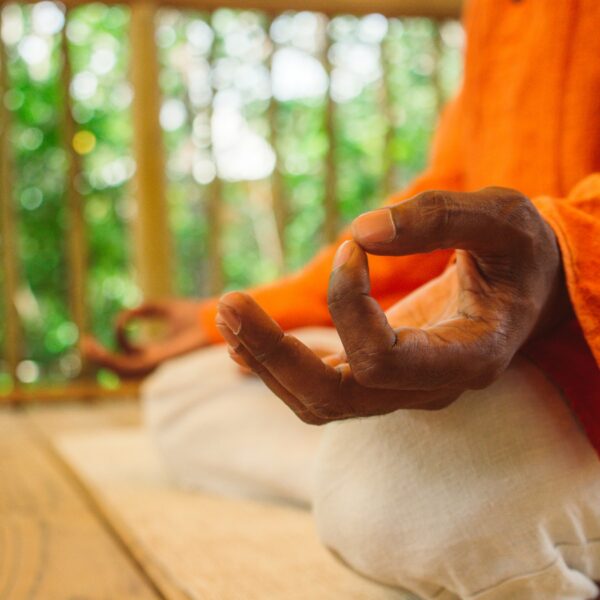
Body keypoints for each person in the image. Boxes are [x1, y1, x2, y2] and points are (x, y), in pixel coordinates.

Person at [86, 0, 600, 597]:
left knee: (405, 503)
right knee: (184, 394)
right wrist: (226, 317)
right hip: (505, 338)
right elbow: (460, 185)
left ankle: (394, 486)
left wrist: (566, 261)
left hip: (580, 337)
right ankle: (387, 481)